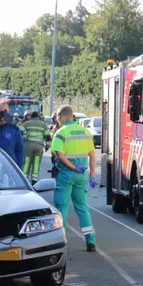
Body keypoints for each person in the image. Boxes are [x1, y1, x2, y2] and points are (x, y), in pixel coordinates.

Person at [51, 105, 97, 252]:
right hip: (81, 176)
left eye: (58, 117)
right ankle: (90, 241)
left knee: (61, 207)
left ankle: (60, 240)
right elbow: (92, 154)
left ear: (64, 116)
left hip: (65, 175)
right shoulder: (85, 132)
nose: (58, 120)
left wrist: (72, 167)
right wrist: (93, 173)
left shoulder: (61, 133)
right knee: (82, 208)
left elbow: (60, 156)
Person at [22, 111, 48, 184]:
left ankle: (24, 179)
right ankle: (34, 181)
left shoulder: (26, 123)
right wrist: (47, 146)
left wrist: (25, 137)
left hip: (28, 146)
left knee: (26, 163)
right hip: (39, 147)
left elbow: (20, 130)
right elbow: (48, 136)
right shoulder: (43, 124)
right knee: (36, 163)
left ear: (31, 116)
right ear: (38, 117)